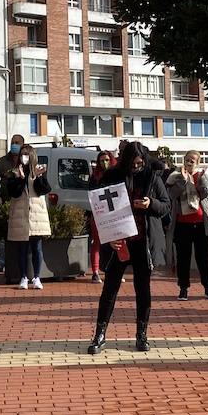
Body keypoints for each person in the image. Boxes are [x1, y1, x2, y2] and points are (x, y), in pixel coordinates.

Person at [87, 142, 172, 353]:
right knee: (109, 290)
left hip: (144, 243)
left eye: (140, 163)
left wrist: (150, 203)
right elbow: (100, 211)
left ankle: (142, 335)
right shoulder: (112, 176)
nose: (137, 166)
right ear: (126, 161)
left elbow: (165, 205)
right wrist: (108, 239)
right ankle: (99, 334)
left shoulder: (152, 176)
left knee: (143, 290)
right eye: (133, 163)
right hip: (119, 242)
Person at [167, 151, 208, 300]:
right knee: (183, 258)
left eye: (193, 161)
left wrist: (199, 179)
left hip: (201, 224)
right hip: (182, 224)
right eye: (187, 160)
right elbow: (172, 195)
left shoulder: (201, 176)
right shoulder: (176, 176)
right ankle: (183, 288)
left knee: (203, 258)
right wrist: (183, 180)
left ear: (198, 163)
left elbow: (206, 194)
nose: (190, 163)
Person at [4, 142, 52, 289]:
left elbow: (43, 190)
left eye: (27, 154)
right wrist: (20, 178)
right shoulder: (14, 172)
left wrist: (39, 177)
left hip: (36, 216)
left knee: (36, 248)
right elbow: (14, 192)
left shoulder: (37, 171)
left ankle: (37, 277)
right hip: (20, 215)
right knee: (22, 249)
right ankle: (23, 277)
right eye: (22, 154)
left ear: (32, 156)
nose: (24, 157)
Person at [0, 134, 26, 274]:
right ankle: (0, 262)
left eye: (17, 142)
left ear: (23, 144)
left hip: (22, 204)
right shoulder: (2, 161)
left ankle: (18, 263)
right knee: (3, 236)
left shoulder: (26, 161)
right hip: (5, 204)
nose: (14, 145)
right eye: (12, 142)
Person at [86, 150, 115, 282]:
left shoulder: (116, 174)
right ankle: (95, 272)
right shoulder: (95, 177)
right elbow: (92, 193)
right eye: (102, 160)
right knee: (96, 243)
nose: (104, 163)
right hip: (99, 214)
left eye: (107, 160)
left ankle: (114, 271)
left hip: (114, 213)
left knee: (114, 242)